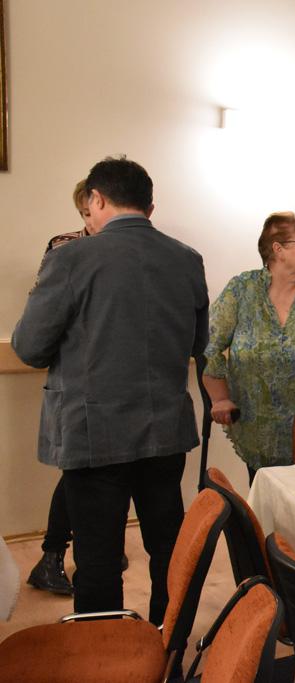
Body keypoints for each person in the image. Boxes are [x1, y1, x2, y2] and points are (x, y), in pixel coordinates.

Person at [12, 156, 208, 624]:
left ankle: (106, 649)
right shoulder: (187, 259)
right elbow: (196, 344)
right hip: (165, 431)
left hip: (94, 434)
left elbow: (29, 347)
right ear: (149, 206)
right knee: (167, 549)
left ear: (97, 199)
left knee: (98, 560)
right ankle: (167, 643)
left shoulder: (70, 259)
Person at [203, 212, 295, 483]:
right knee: (264, 497)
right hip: (254, 427)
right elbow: (210, 346)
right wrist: (220, 398)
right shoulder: (242, 289)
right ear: (278, 249)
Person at [26, 180, 97, 597]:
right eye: (87, 212)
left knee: (103, 473)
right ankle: (51, 556)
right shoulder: (65, 247)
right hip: (76, 378)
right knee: (76, 472)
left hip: (110, 379)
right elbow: (44, 311)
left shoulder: (127, 250)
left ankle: (94, 546)